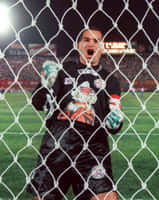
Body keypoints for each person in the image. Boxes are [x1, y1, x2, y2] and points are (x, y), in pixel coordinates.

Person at [27, 26, 123, 200]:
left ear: (101, 47)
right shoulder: (62, 71)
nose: (91, 43)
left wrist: (116, 121)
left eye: (96, 41)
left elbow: (115, 119)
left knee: (106, 197)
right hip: (58, 141)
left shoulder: (111, 81)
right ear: (79, 45)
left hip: (93, 145)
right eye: (86, 39)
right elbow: (38, 103)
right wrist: (44, 84)